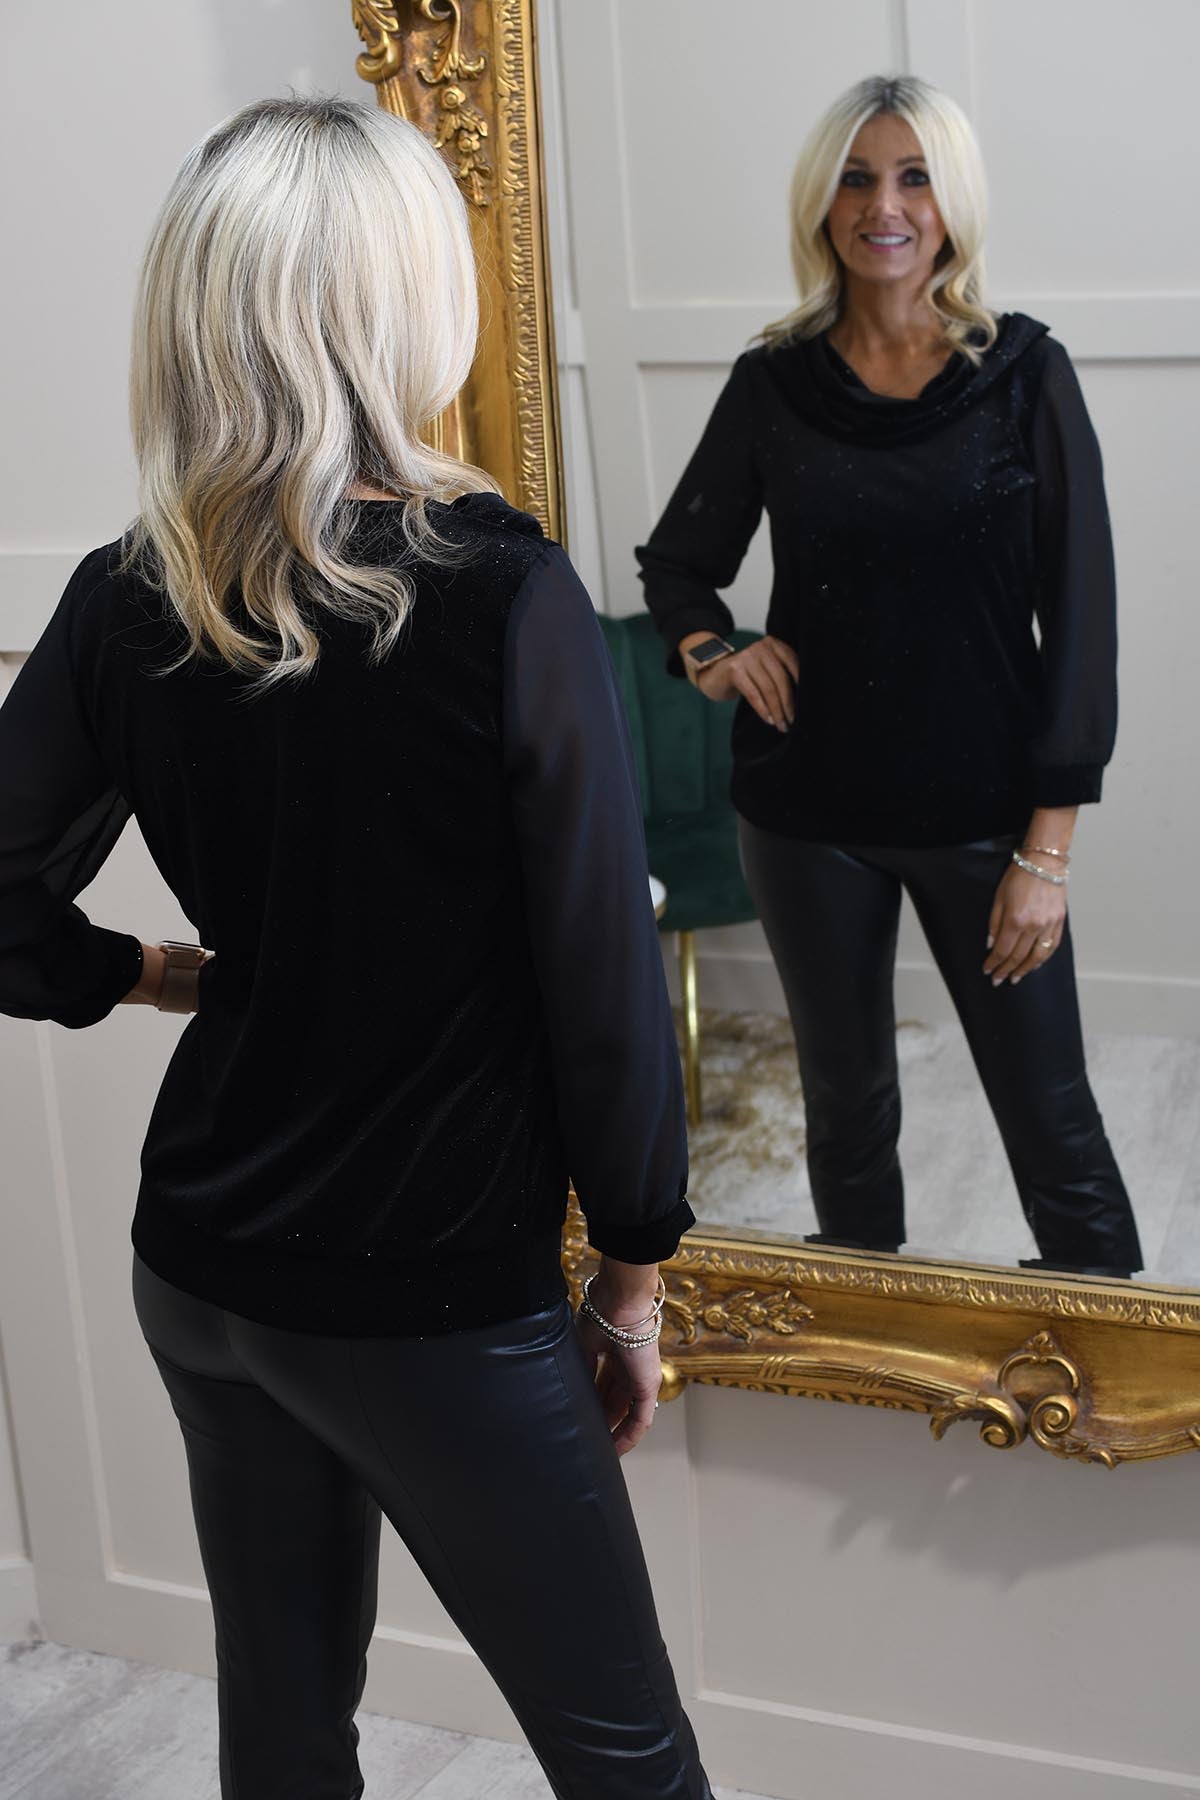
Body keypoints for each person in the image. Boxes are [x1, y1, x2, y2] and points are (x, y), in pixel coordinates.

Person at [0, 97, 711, 1800]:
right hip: (430, 1300)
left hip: (202, 1275)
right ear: (404, 299)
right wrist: (632, 1274)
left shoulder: (127, 593)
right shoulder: (503, 592)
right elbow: (605, 988)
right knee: (634, 1771)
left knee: (285, 1731)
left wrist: (147, 974)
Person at [637, 74, 1142, 1279]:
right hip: (808, 816)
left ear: (952, 201)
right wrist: (715, 654)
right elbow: (680, 563)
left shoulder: (1025, 374)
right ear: (823, 204)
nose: (886, 206)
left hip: (987, 823)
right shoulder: (774, 383)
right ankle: (859, 1344)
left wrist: (1047, 853)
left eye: (915, 178)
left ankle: (1115, 1352)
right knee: (846, 1108)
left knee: (1051, 1120)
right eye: (858, 179)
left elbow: (1082, 621)